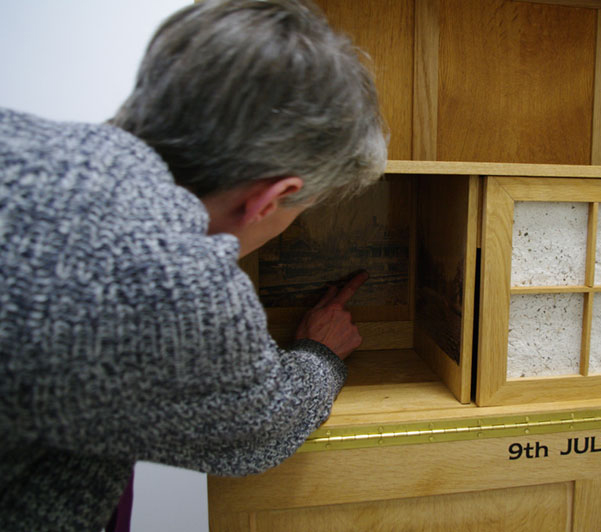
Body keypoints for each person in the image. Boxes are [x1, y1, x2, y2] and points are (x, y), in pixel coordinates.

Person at [0, 0, 387, 530]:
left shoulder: (18, 139)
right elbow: (263, 427)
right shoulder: (172, 280)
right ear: (270, 199)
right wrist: (320, 353)